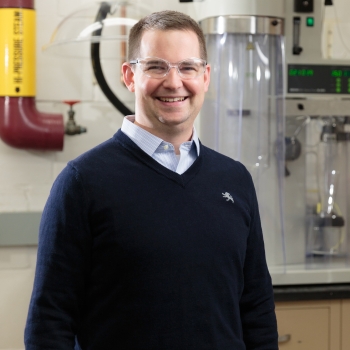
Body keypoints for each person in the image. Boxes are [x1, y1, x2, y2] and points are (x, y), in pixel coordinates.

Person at [25, 10, 278, 350]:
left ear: (205, 77)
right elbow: (49, 323)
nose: (174, 82)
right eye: (156, 66)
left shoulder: (235, 179)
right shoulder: (83, 182)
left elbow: (257, 308)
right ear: (130, 76)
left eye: (188, 67)